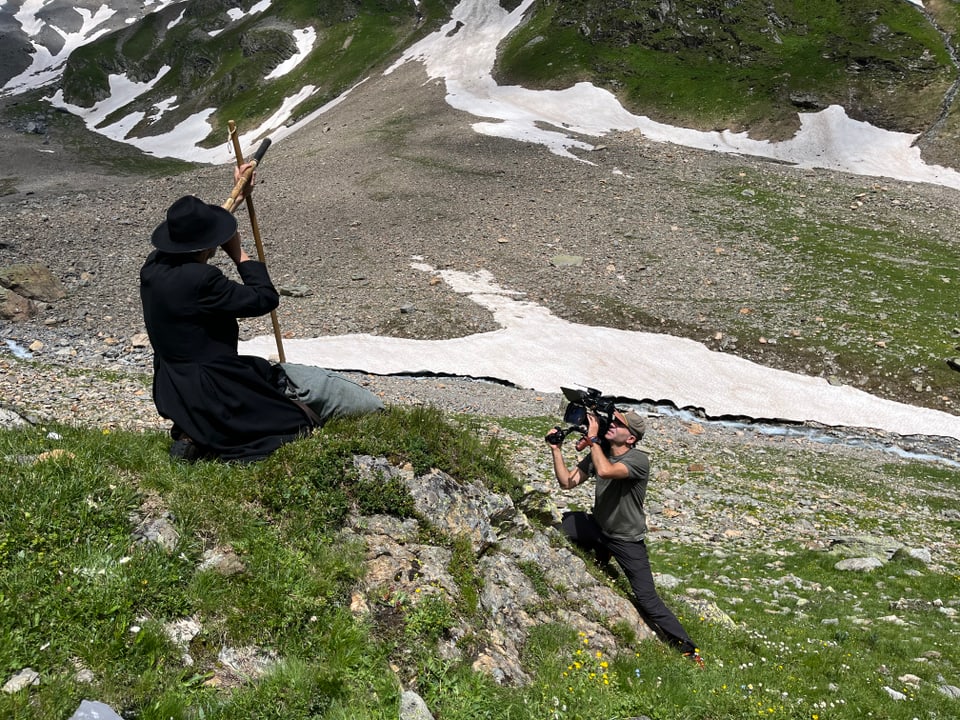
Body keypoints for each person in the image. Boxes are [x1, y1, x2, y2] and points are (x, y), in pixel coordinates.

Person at [139, 168, 382, 462]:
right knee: (297, 422)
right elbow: (264, 299)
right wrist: (239, 253)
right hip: (217, 388)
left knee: (267, 391)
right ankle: (213, 435)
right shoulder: (203, 281)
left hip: (175, 389)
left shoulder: (153, 268)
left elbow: (197, 235)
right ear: (206, 244)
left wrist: (237, 197)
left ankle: (196, 431)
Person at [547, 407, 704, 666]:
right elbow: (567, 482)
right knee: (558, 526)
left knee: (647, 599)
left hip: (626, 540)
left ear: (631, 438)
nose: (611, 425)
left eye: (618, 424)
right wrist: (556, 449)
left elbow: (608, 471)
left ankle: (689, 649)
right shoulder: (601, 453)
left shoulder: (638, 460)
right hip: (598, 527)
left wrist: (595, 439)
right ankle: (600, 553)